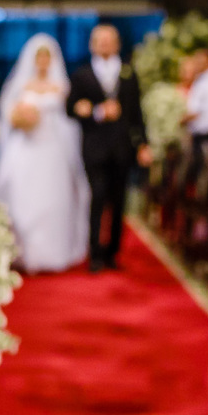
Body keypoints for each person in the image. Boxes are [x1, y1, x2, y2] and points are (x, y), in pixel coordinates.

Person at [0, 35, 90, 272]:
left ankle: (52, 253)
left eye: (48, 56)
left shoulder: (62, 86)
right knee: (22, 199)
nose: (44, 61)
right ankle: (25, 252)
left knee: (53, 201)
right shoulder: (22, 85)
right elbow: (8, 115)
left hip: (52, 149)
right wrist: (21, 119)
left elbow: (69, 120)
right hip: (27, 147)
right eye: (40, 57)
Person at [68, 24, 150, 272]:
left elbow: (137, 113)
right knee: (97, 196)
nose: (104, 44)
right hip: (94, 146)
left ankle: (113, 251)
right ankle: (94, 251)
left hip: (122, 147)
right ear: (92, 44)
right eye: (99, 40)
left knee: (119, 201)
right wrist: (96, 112)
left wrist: (143, 144)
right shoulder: (81, 74)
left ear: (117, 43)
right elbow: (70, 108)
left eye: (108, 40)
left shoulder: (128, 73)